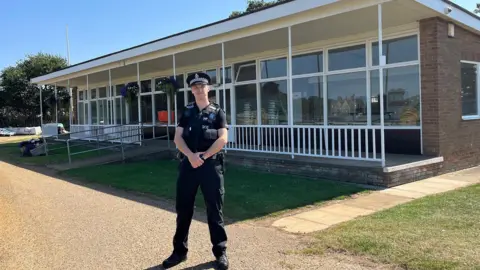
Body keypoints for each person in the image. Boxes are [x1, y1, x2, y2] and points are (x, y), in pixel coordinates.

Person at [162, 72, 229, 270]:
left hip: (211, 166)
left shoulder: (218, 112)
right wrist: (191, 156)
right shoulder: (187, 111)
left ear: (208, 88)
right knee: (183, 210)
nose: (199, 89)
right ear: (191, 90)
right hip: (188, 165)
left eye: (202, 86)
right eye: (195, 87)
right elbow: (178, 138)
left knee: (215, 211)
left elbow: (223, 138)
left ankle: (220, 253)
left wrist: (204, 156)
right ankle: (179, 252)